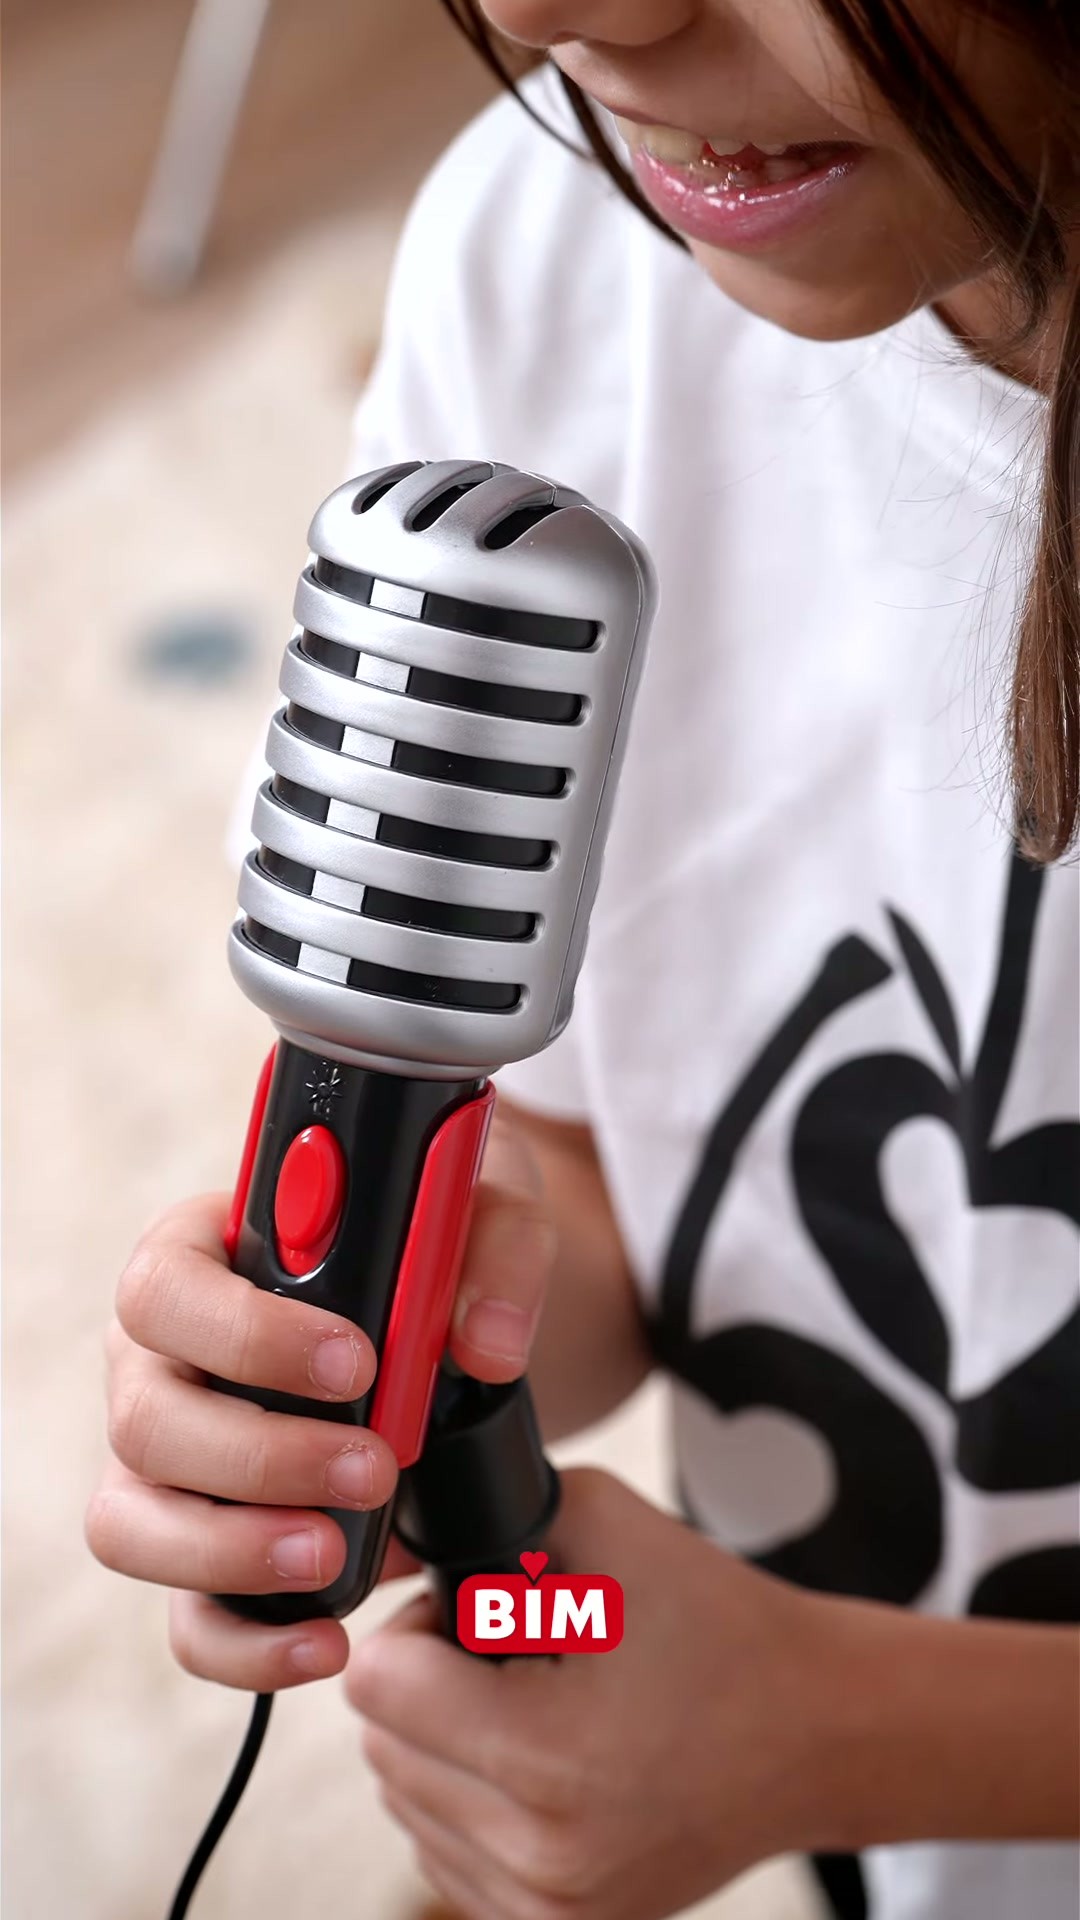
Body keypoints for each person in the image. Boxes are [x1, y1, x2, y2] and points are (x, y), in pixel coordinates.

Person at [87, 4, 1080, 1918]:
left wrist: (846, 1732)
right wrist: (393, 1361)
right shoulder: (551, 259)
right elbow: (628, 1162)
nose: (562, 10)